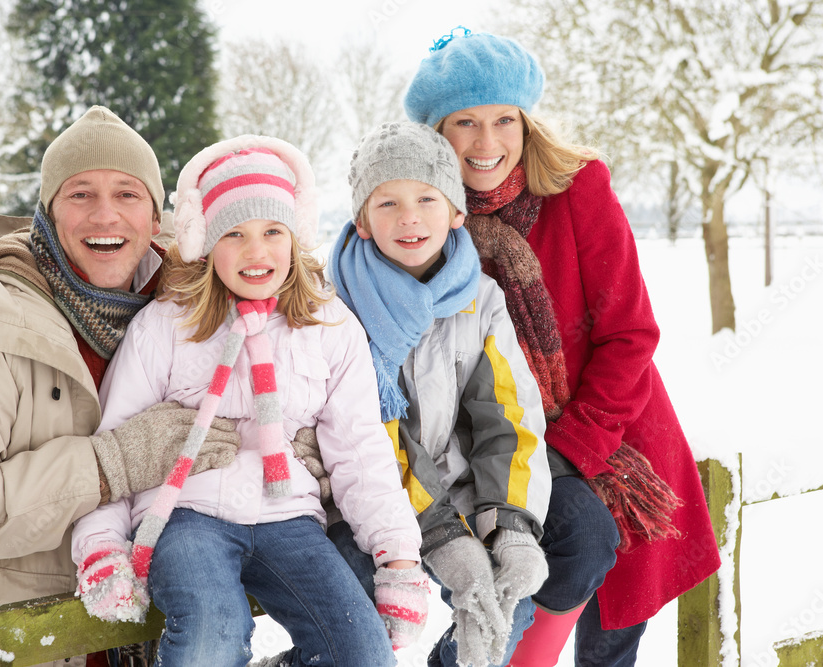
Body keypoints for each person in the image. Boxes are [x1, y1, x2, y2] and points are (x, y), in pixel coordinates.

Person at [0, 106, 242, 667]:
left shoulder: (182, 318)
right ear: (48, 211)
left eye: (128, 194)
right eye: (80, 194)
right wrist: (108, 465)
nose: (105, 215)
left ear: (155, 214)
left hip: (119, 641)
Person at [403, 28, 722, 666]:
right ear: (436, 133)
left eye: (503, 120)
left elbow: (630, 334)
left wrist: (568, 451)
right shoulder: (421, 218)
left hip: (612, 437)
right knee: (506, 604)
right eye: (465, 122)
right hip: (493, 454)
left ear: (526, 123)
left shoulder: (577, 190)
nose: (487, 142)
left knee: (608, 635)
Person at [70, 135, 430, 666]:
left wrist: (399, 559)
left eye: (272, 232)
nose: (256, 251)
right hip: (187, 518)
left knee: (363, 653)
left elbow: (360, 451)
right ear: (207, 243)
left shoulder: (329, 328)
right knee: (210, 638)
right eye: (234, 233)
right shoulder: (167, 325)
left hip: (291, 518)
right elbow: (116, 444)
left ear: (294, 237)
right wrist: (102, 545)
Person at [327, 120, 552, 667]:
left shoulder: (480, 299)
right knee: (362, 622)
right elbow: (365, 436)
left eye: (427, 198)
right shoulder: (336, 305)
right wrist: (440, 533)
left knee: (504, 598)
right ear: (361, 220)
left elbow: (509, 414)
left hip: (457, 489)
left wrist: (511, 521)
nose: (409, 217)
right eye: (388, 203)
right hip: (357, 502)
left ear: (456, 212)